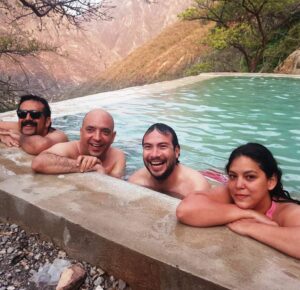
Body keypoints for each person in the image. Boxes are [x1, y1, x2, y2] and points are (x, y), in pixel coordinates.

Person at [176, 143, 300, 259]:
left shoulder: (286, 211)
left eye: (250, 177)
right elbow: (185, 210)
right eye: (233, 176)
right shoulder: (230, 192)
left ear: (271, 181)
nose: (238, 185)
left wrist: (251, 228)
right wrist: (249, 214)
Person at [32, 108, 126, 178]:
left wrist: (102, 171)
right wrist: (87, 166)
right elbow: (38, 162)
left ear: (113, 137)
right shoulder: (70, 149)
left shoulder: (117, 156)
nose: (97, 138)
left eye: (105, 132)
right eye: (90, 130)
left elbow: (116, 188)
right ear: (81, 133)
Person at [128, 123, 211, 199]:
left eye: (163, 146)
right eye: (148, 147)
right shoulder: (136, 181)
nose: (154, 154)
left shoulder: (196, 187)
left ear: (176, 151)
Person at [0, 94, 68, 155]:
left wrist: (20, 137)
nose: (27, 118)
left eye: (35, 114)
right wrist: (2, 136)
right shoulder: (21, 126)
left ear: (47, 122)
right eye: (22, 114)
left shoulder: (59, 136)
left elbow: (40, 145)